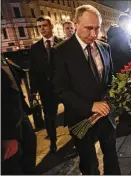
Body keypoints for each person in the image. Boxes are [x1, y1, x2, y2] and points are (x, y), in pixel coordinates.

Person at [53, 5, 121, 175]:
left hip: (106, 116)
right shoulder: (60, 52)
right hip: (80, 118)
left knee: (112, 157)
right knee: (89, 164)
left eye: (97, 28)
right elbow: (61, 90)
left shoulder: (105, 47)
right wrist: (90, 106)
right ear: (76, 23)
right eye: (89, 28)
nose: (94, 34)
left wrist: (115, 95)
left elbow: (110, 77)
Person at [29, 16, 63, 152]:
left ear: (52, 26)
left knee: (72, 113)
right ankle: (53, 142)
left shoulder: (62, 43)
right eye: (39, 26)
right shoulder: (35, 47)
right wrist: (32, 90)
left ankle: (77, 138)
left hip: (63, 87)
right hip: (46, 90)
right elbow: (33, 71)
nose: (42, 29)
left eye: (45, 25)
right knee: (49, 117)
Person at [1, 56, 37, 174]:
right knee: (12, 163)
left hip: (18, 112)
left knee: (29, 146)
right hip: (7, 124)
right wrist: (8, 136)